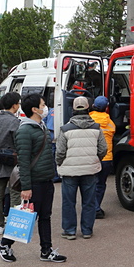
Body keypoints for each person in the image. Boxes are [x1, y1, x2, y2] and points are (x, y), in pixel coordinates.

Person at [0, 93, 66, 263]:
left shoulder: (40, 126)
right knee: (28, 217)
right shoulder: (25, 130)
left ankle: (46, 250)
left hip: (46, 179)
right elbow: (24, 162)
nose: (45, 108)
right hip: (34, 182)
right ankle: (4, 243)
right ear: (34, 109)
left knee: (45, 216)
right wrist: (26, 187)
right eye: (43, 105)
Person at [56, 96, 106, 240]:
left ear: (73, 110)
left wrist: (60, 163)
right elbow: (103, 149)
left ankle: (70, 231)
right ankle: (87, 231)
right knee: (89, 202)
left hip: (69, 172)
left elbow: (60, 152)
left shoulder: (65, 129)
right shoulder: (97, 128)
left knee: (69, 202)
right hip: (90, 171)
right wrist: (95, 159)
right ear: (88, 108)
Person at [0, 92, 22, 235]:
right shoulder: (15, 122)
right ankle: (13, 223)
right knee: (15, 192)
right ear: (14, 105)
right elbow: (19, 142)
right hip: (13, 161)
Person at [88, 95, 115, 219]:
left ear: (93, 106)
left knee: (89, 184)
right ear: (106, 108)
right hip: (106, 158)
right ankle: (96, 207)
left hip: (92, 157)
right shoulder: (110, 123)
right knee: (100, 184)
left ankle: (89, 207)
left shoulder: (89, 120)